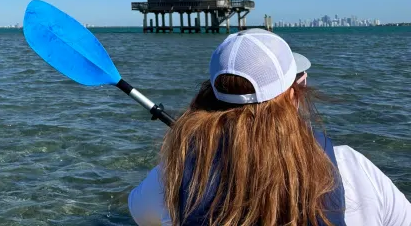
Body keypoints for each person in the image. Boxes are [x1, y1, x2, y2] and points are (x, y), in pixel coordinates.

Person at [127, 28, 411, 226]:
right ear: (294, 93)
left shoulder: (176, 174)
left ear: (209, 100)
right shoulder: (353, 167)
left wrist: (193, 152)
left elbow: (139, 212)